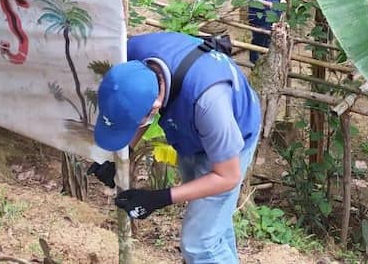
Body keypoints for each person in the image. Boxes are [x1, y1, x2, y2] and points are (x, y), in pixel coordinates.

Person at [91, 32, 261, 264]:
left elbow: (227, 177)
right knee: (213, 227)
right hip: (188, 130)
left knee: (199, 245)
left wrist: (159, 198)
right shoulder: (133, 57)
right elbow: (136, 107)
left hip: (234, 134)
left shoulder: (209, 105)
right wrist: (125, 152)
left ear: (156, 106)